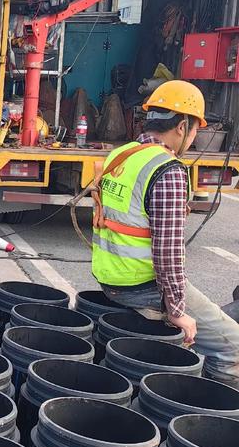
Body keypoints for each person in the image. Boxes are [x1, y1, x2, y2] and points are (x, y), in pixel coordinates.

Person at [91, 79, 239, 389]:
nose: (195, 138)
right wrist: (178, 312)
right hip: (142, 287)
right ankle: (211, 409)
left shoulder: (122, 155)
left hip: (110, 278)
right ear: (182, 126)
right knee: (232, 345)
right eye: (196, 129)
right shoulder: (168, 169)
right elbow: (168, 255)